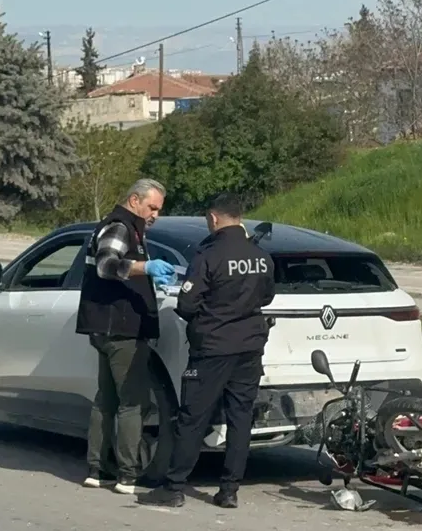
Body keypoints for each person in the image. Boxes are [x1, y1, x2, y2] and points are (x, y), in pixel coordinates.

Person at [137, 192, 275, 509]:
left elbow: (187, 304)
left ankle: (174, 487)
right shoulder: (261, 256)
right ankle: (229, 490)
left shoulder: (208, 256)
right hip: (250, 345)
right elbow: (266, 297)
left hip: (213, 347)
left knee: (193, 418)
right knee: (240, 418)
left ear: (213, 218)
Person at [76, 178, 177, 494]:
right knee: (131, 402)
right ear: (135, 200)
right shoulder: (120, 226)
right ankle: (127, 475)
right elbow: (106, 265)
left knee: (106, 399)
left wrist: (145, 276)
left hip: (106, 326)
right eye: (152, 207)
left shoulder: (124, 226)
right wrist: (144, 269)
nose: (155, 215)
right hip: (120, 328)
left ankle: (97, 469)